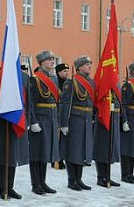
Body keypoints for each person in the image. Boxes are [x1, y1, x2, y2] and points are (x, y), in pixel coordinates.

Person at [0, 65, 30, 200]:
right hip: (3, 119)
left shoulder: (24, 77)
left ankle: (10, 187)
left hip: (18, 119)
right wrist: (6, 102)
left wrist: (28, 120)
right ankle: (3, 188)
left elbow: (28, 100)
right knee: (4, 155)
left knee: (13, 155)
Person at [59, 56, 95, 191]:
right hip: (74, 119)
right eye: (86, 64)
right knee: (73, 151)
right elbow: (65, 103)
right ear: (79, 67)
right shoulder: (71, 82)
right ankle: (72, 180)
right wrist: (63, 123)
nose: (89, 66)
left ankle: (79, 179)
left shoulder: (91, 83)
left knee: (82, 151)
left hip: (86, 119)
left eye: (90, 64)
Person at [27, 50, 60, 195]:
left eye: (53, 59)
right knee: (36, 153)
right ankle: (36, 184)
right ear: (41, 62)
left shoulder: (53, 78)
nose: (52, 62)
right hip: (40, 119)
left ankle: (43, 182)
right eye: (49, 60)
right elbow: (31, 101)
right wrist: (32, 121)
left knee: (45, 152)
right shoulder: (35, 79)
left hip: (51, 118)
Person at [92, 79, 124, 189]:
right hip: (103, 118)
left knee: (110, 148)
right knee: (102, 148)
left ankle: (107, 176)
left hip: (114, 118)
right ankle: (101, 177)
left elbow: (120, 102)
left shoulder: (116, 85)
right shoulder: (101, 83)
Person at [54, 62, 70, 170]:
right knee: (57, 138)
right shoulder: (55, 83)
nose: (67, 73)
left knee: (64, 138)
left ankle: (62, 157)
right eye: (64, 71)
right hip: (57, 113)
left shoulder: (69, 83)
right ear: (59, 72)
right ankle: (56, 159)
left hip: (66, 113)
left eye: (67, 71)